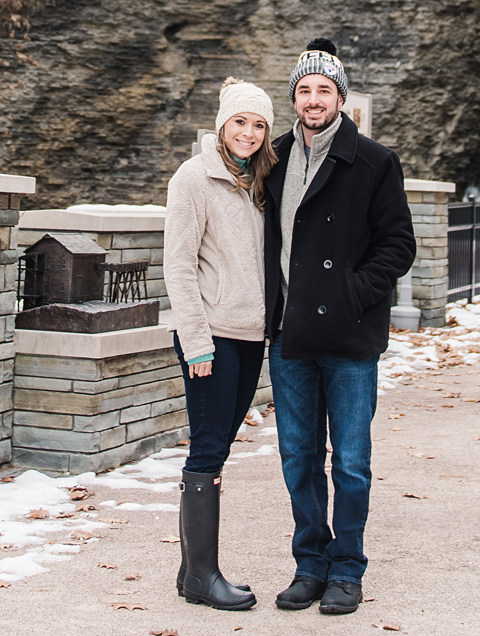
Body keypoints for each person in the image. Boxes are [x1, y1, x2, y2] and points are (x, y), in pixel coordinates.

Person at [263, 39, 414, 616]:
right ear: (294, 99)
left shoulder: (375, 161)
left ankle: (347, 568)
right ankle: (309, 565)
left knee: (350, 461)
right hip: (292, 335)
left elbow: (398, 243)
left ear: (341, 100)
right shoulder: (274, 160)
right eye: (304, 90)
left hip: (350, 338)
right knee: (298, 458)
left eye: (324, 90)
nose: (313, 99)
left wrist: (353, 293)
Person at [163, 77, 276, 611]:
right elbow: (179, 267)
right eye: (240, 122)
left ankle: (192, 573)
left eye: (258, 125)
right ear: (222, 125)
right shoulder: (194, 177)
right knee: (208, 448)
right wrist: (196, 341)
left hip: (250, 335)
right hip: (211, 338)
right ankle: (204, 577)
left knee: (219, 446)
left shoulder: (260, 181)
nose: (249, 133)